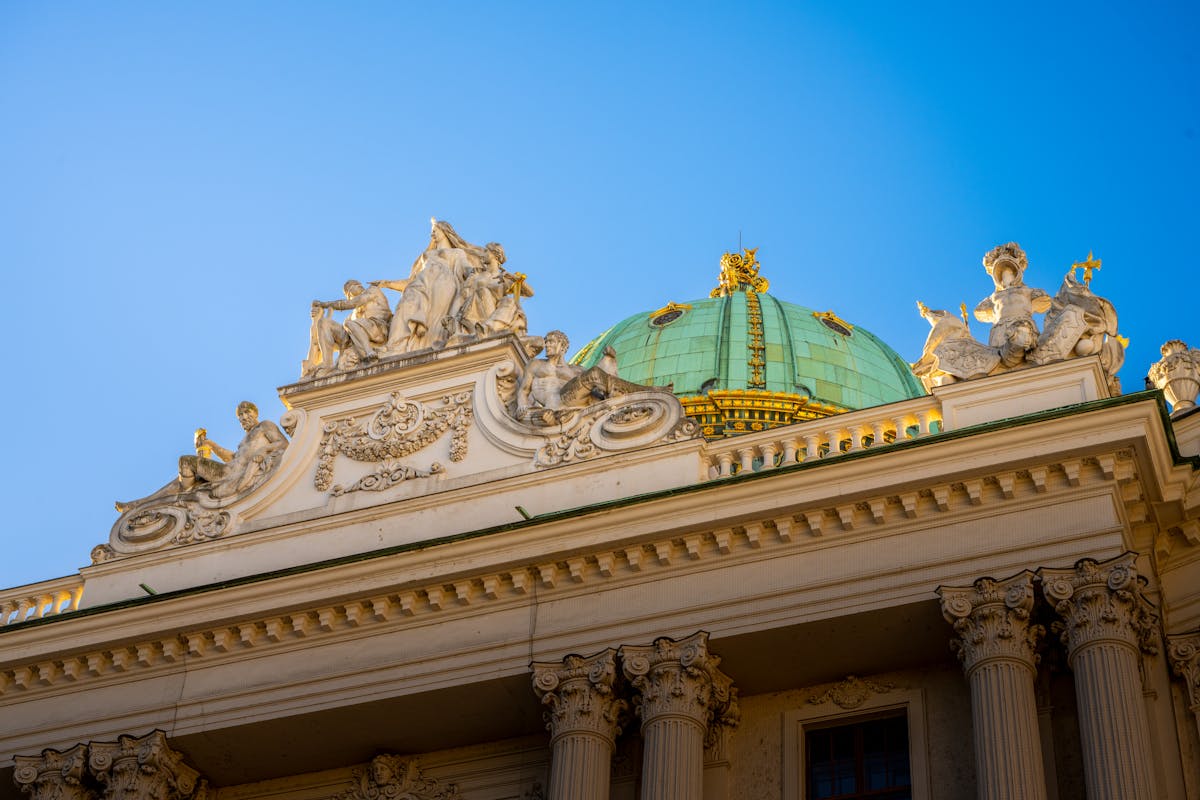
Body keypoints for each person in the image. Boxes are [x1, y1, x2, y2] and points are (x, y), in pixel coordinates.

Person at [116, 402, 288, 512]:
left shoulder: (265, 426)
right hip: (228, 471)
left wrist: (263, 451)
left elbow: (282, 444)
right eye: (240, 416)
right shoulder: (245, 440)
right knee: (182, 477)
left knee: (186, 462)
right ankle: (143, 503)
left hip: (233, 476)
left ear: (255, 413)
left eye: (246, 413)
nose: (243, 418)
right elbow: (233, 457)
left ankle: (178, 500)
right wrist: (211, 444)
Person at [973, 243, 1050, 368]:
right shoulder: (992, 298)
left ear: (1017, 272)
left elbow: (1045, 302)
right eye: (1001, 273)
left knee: (1027, 359)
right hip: (1000, 331)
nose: (1005, 276)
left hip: (1025, 328)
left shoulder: (1029, 292)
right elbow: (978, 312)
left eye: (1009, 272)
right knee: (999, 366)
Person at [308, 280, 392, 374]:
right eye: (354, 285)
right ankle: (327, 364)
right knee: (324, 323)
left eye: (359, 284)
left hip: (378, 328)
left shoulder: (372, 290)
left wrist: (324, 304)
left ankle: (369, 352)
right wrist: (317, 318)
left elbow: (351, 304)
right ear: (348, 294)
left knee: (348, 324)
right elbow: (319, 339)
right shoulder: (352, 316)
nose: (359, 285)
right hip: (354, 334)